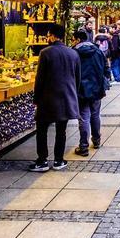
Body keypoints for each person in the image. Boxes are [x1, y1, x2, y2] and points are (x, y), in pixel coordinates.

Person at [32, 23, 81, 171]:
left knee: (42, 129)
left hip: (48, 97)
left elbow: (40, 78)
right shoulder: (73, 53)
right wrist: (73, 95)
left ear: (52, 36)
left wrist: (36, 98)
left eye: (48, 35)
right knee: (61, 131)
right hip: (66, 98)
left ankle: (42, 161)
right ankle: (59, 160)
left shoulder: (45, 53)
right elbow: (77, 78)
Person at [73, 29, 108, 156]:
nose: (72, 42)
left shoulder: (74, 53)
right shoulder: (98, 51)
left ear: (77, 39)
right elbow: (106, 67)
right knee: (95, 114)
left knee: (84, 117)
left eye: (73, 39)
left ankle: (83, 146)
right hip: (97, 87)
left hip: (81, 89)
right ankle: (96, 140)